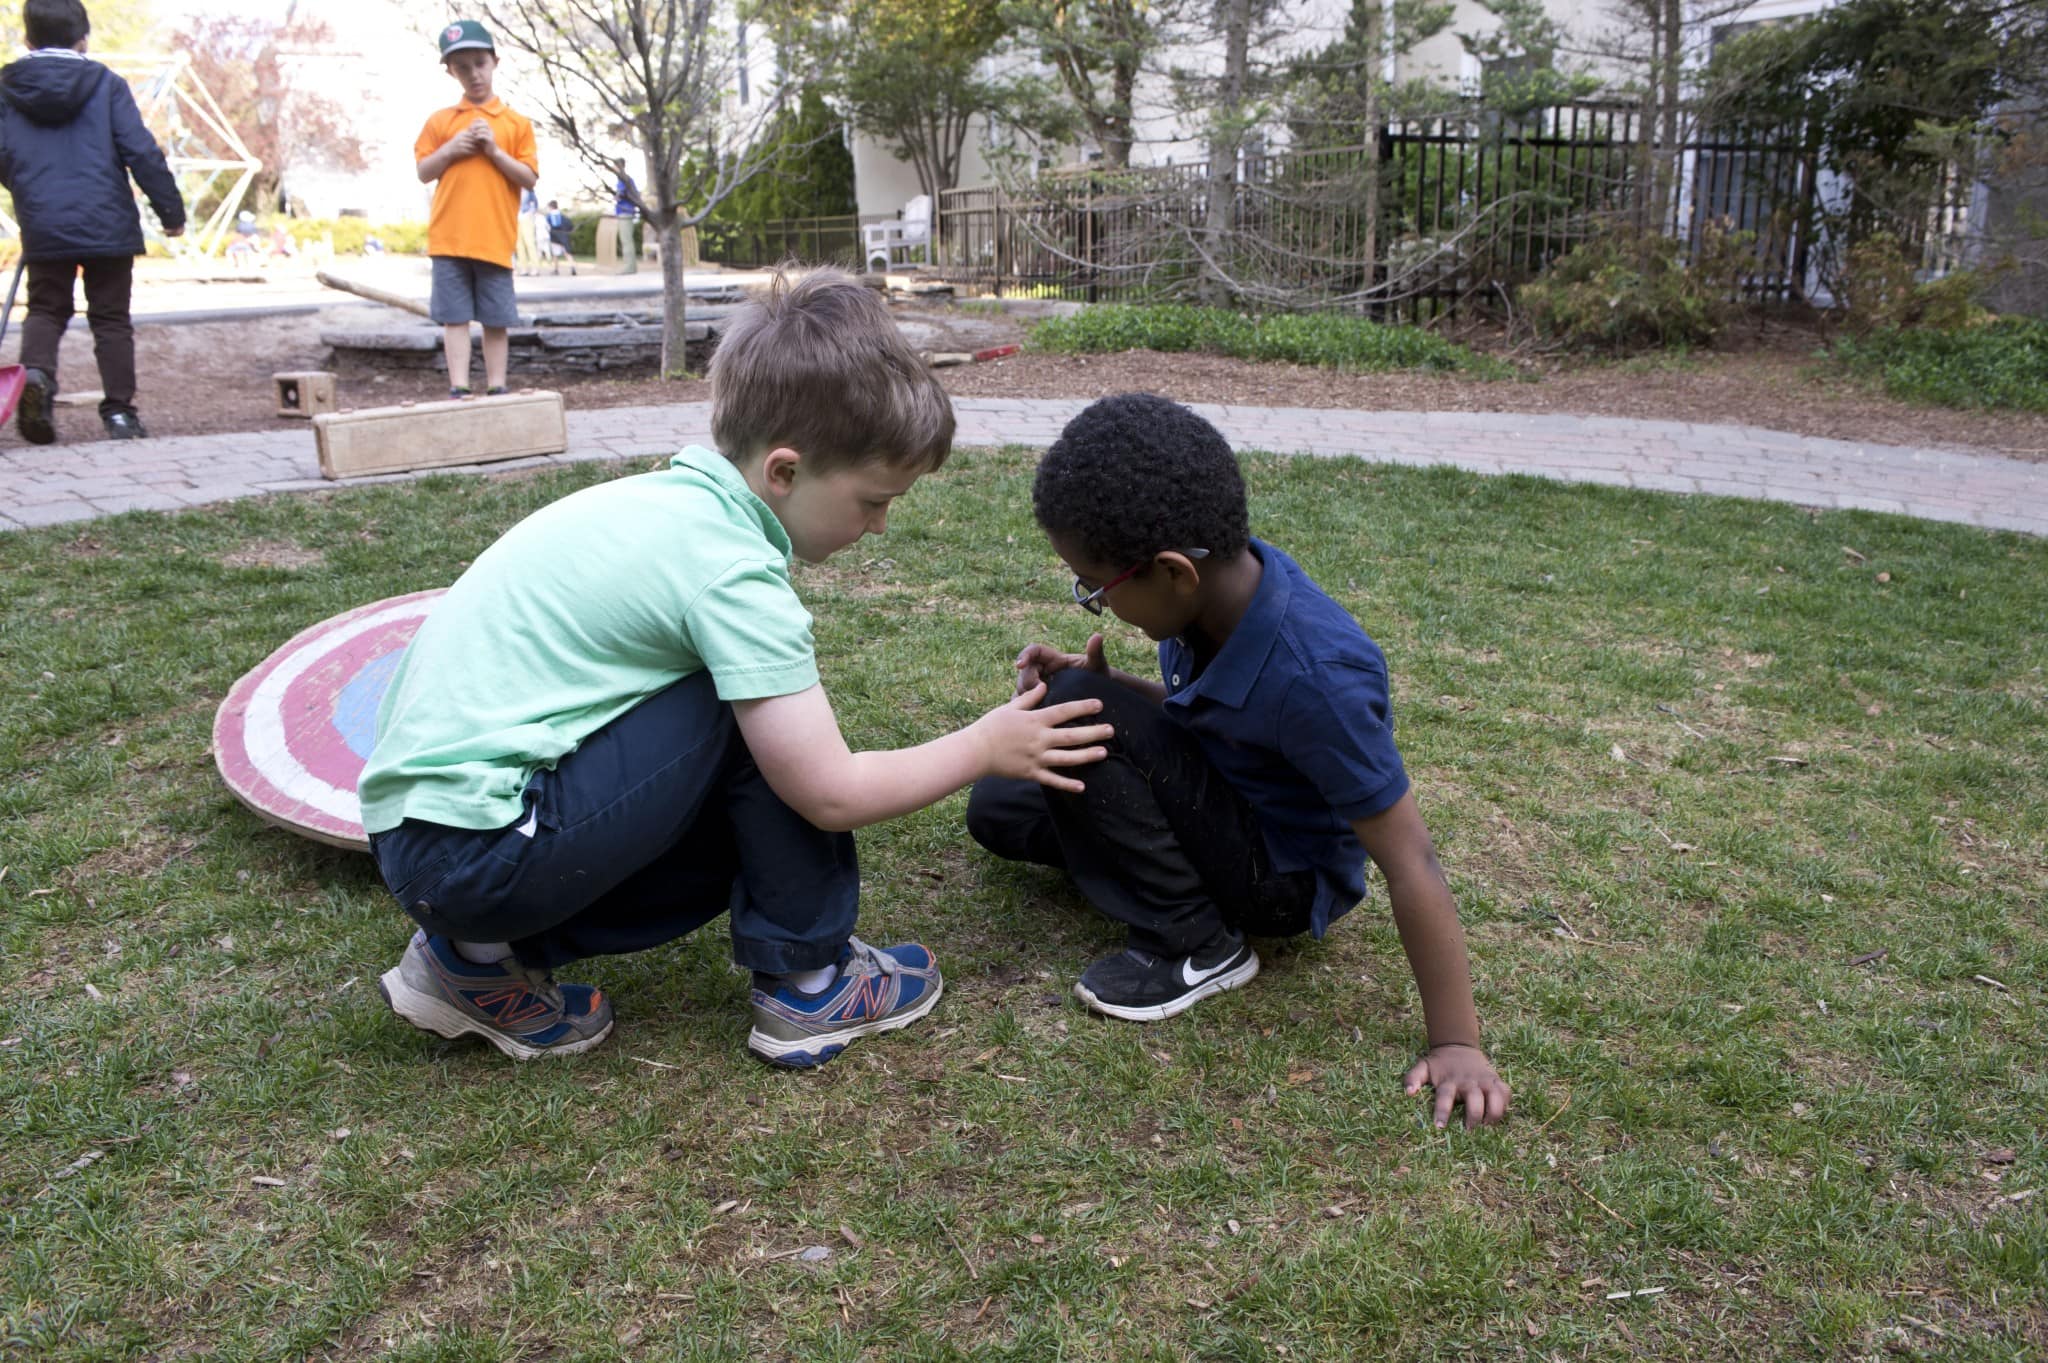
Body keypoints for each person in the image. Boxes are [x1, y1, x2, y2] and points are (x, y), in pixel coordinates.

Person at [358, 268, 1113, 1068]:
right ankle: (811, 982)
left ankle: (473, 961)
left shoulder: (660, 507)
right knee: (754, 723)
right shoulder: (731, 571)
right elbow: (827, 792)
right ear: (783, 471)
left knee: (750, 726)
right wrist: (986, 746)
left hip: (426, 841)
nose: (883, 526)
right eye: (871, 500)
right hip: (478, 851)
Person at [966, 393, 1512, 1129]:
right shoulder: (1214, 596)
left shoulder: (1319, 677)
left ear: (1171, 572)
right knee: (1000, 804)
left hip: (1278, 875)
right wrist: (1121, 688)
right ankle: (1145, 861)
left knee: (1080, 712)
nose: (1092, 602)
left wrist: (1457, 1041)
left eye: (1095, 591)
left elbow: (1412, 859)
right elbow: (1216, 715)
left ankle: (1198, 944)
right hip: (1226, 796)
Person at [0, 0, 185, 443]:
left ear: (27, 41)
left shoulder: (5, 88)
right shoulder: (106, 84)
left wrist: (27, 190)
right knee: (111, 318)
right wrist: (171, 214)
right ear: (84, 40)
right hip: (107, 219)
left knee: (46, 308)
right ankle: (120, 413)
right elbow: (140, 151)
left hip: (43, 218)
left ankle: (38, 376)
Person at [413, 19, 537, 399]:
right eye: (462, 67)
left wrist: (493, 151)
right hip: (448, 239)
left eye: (479, 63)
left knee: (496, 319)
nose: (473, 74)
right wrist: (454, 147)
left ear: (494, 62)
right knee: (455, 318)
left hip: (494, 240)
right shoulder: (441, 122)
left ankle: (498, 386)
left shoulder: (515, 123)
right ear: (450, 71)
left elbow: (529, 177)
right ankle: (459, 387)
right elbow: (423, 171)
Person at [542, 198, 575, 276]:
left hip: (554, 236)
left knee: (555, 254)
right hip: (564, 236)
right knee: (567, 253)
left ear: (550, 207)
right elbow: (570, 226)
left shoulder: (549, 216)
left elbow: (546, 227)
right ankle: (572, 267)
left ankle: (556, 269)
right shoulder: (563, 216)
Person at [514, 185, 541, 276]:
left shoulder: (529, 190)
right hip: (516, 218)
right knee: (519, 244)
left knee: (530, 243)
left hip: (526, 217)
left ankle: (535, 268)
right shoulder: (513, 188)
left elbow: (535, 203)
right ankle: (523, 268)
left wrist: (530, 213)